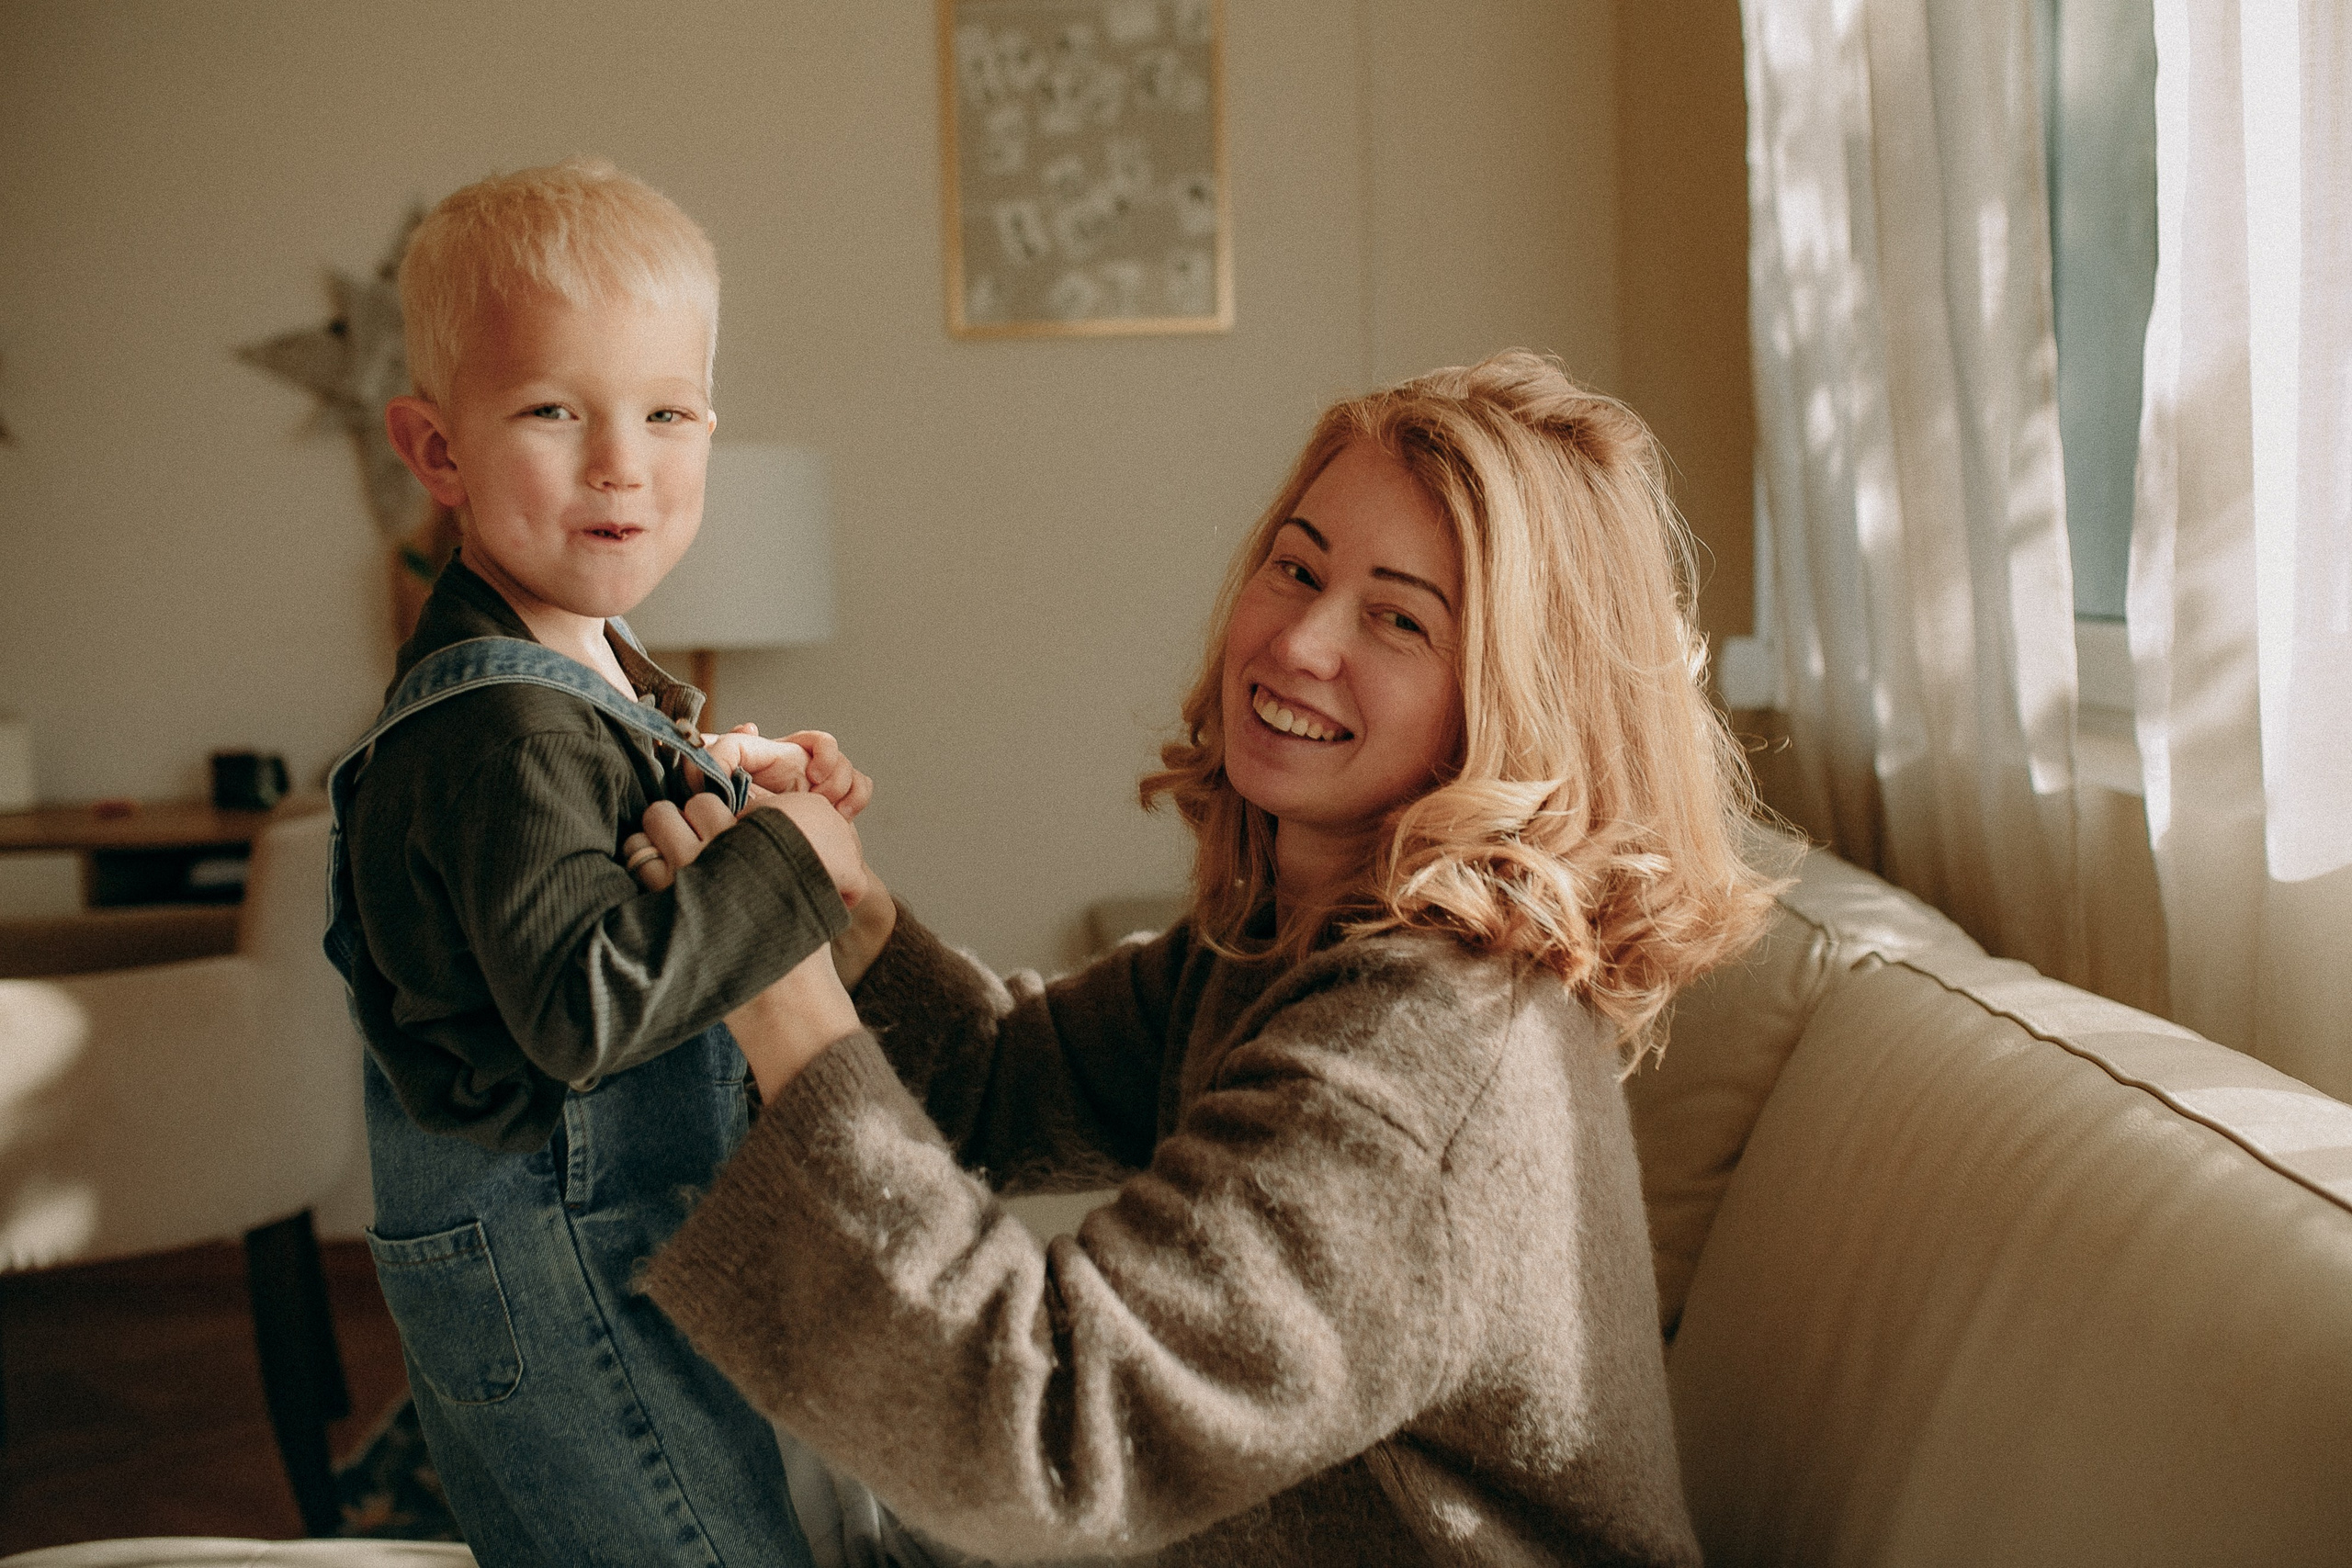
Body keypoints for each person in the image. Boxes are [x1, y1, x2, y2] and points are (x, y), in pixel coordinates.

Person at [631, 351, 1778, 1565]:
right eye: (1298, 567)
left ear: (1517, 700)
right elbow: (997, 1077)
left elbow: (1049, 1447)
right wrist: (841, 917)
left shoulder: (1422, 1052)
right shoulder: (1300, 936)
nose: (1301, 641)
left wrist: (771, 971)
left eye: (1399, 619)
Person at [323, 157, 870, 1568]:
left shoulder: (581, 681)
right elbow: (582, 1002)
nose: (622, 461)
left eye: (667, 413)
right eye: (553, 412)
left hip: (620, 1252)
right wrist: (785, 867)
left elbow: (601, 867)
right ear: (436, 450)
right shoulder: (497, 725)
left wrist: (728, 793)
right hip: (563, 1276)